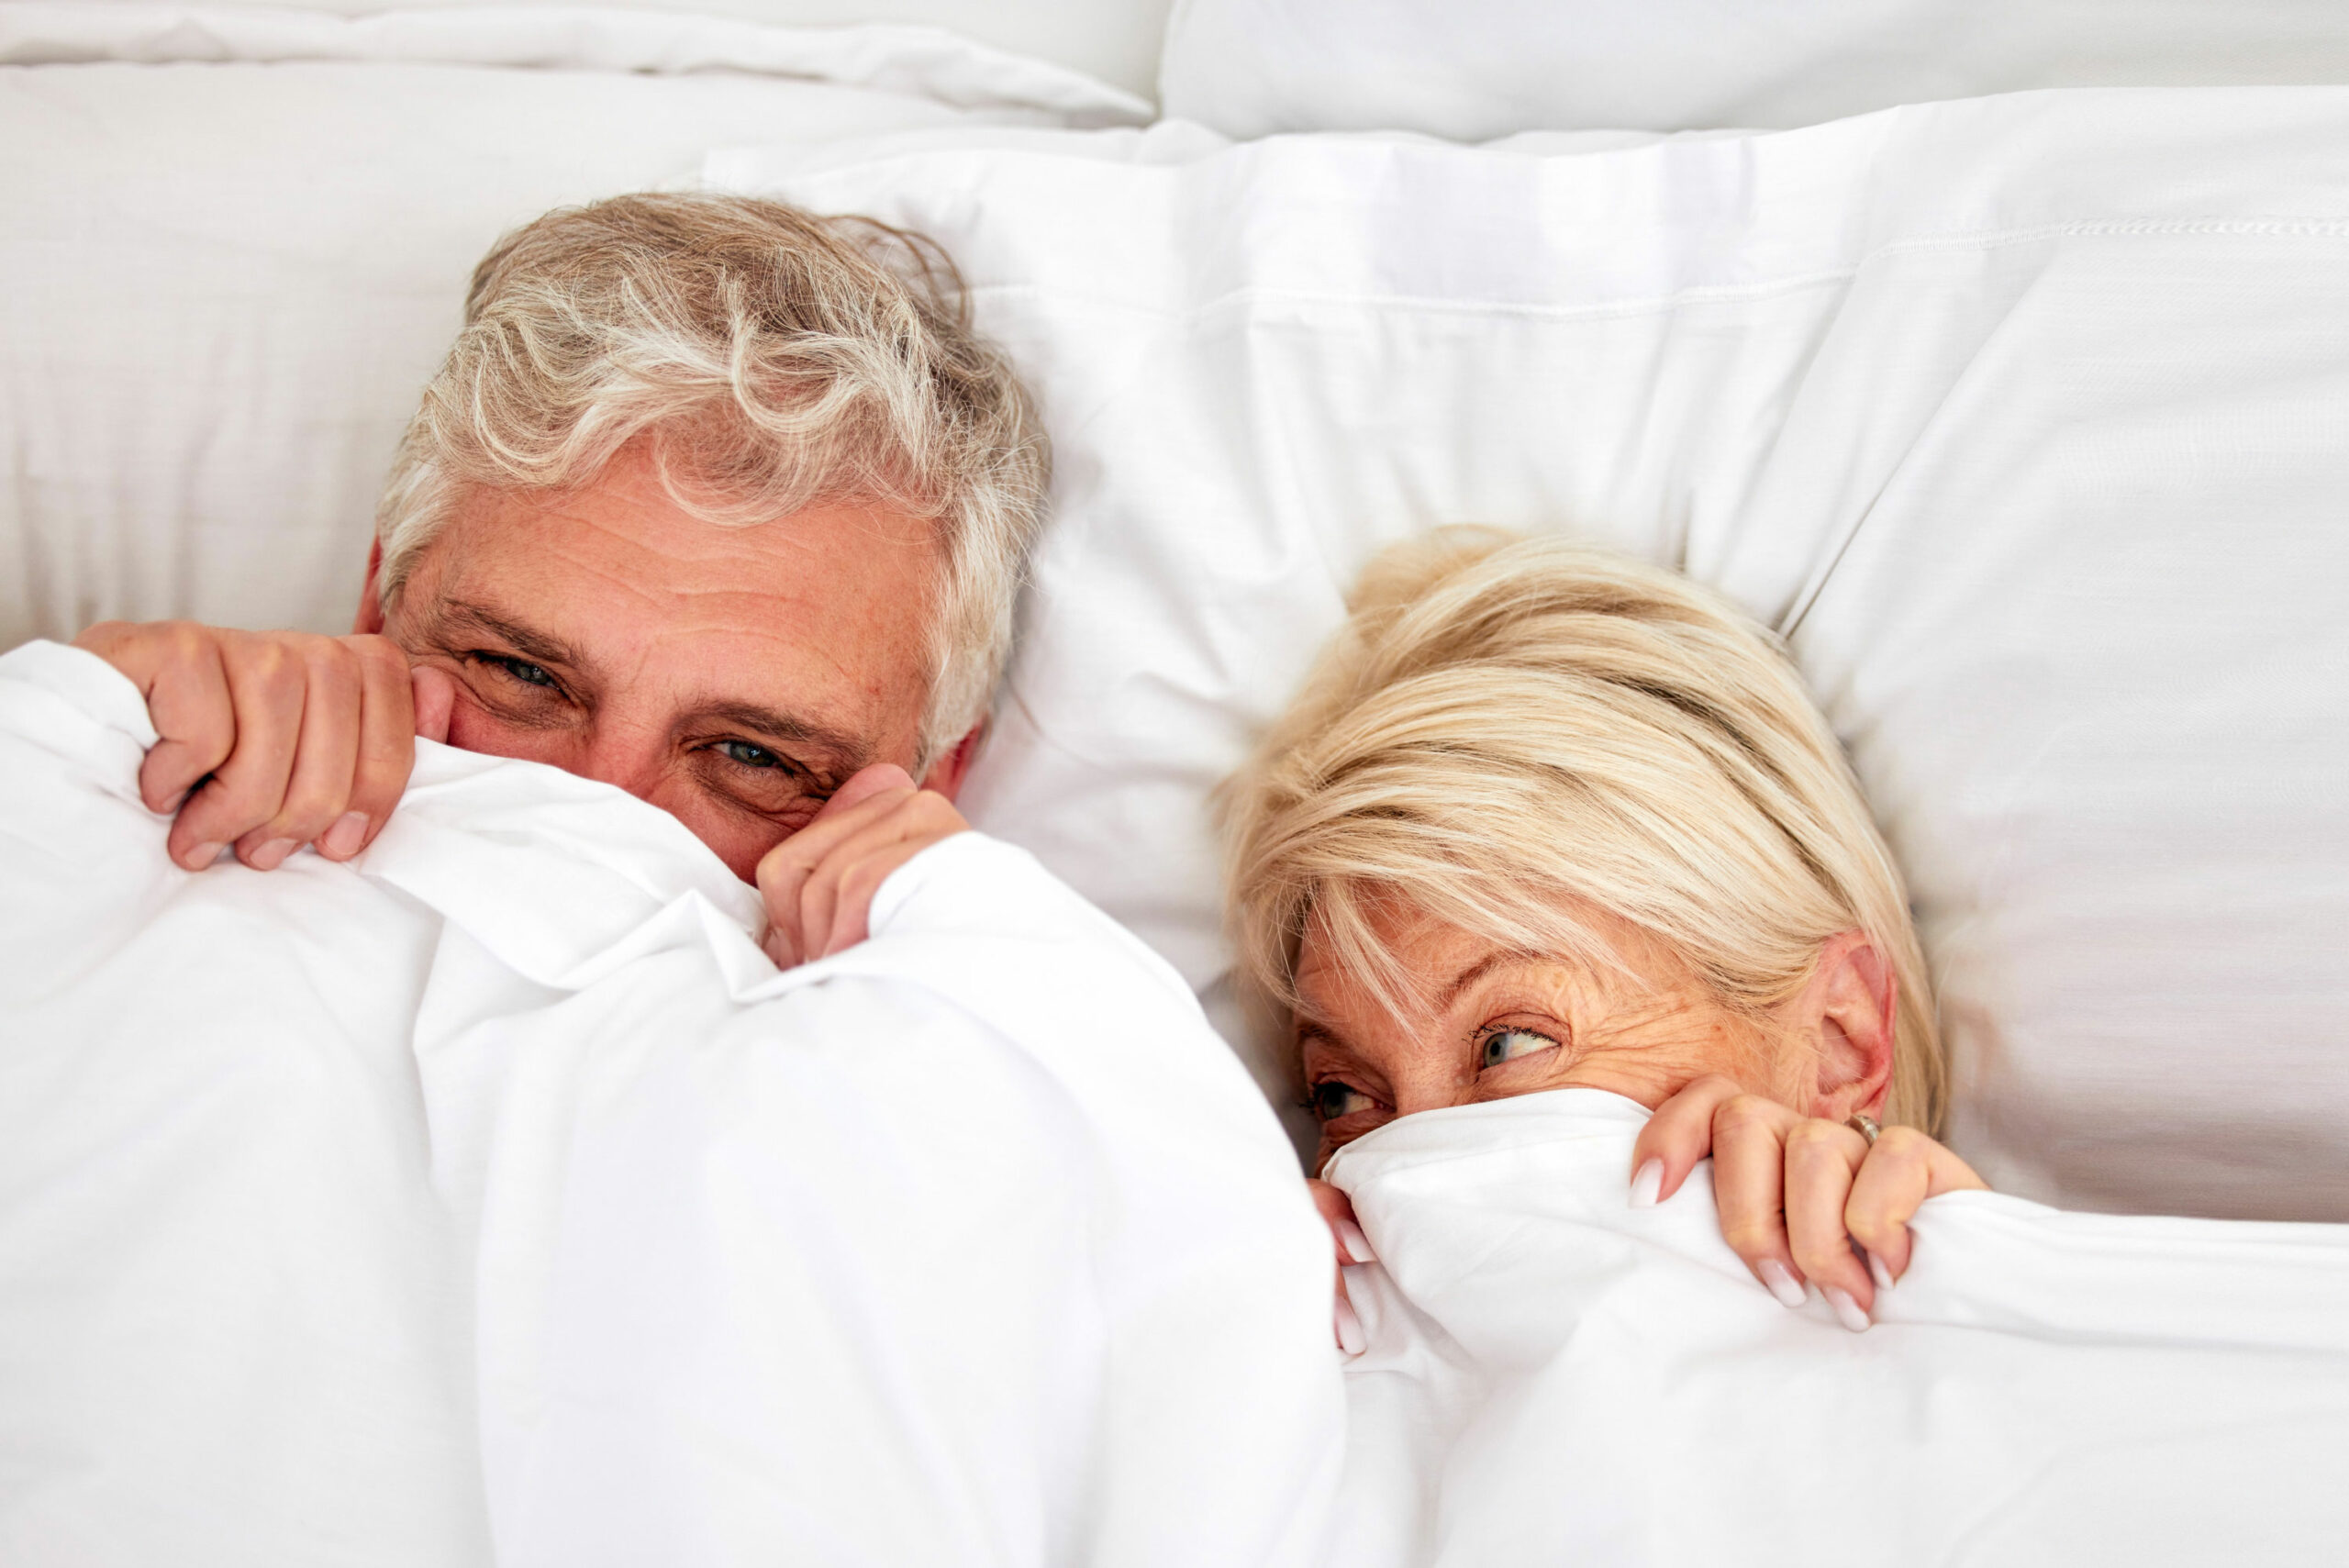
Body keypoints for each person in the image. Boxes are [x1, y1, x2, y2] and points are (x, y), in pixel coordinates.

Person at [67, 192, 1036, 961]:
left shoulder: (1026, 1093)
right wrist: (73, 757)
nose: (596, 806)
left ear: (938, 780)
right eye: (521, 673)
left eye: (754, 757)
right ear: (379, 603)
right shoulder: (114, 809)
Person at [1222, 528, 1990, 1337]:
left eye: (1511, 1044)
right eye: (1341, 1096)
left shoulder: (1996, 1370)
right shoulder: (1289, 1377)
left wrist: (1972, 1293)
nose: (1407, 1185)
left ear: (1837, 1040)